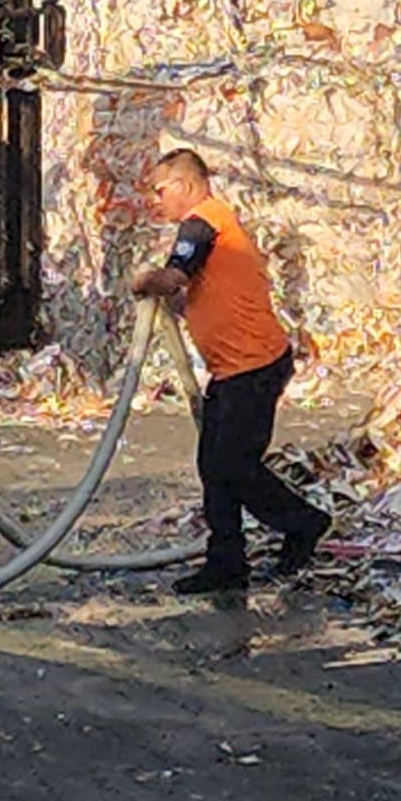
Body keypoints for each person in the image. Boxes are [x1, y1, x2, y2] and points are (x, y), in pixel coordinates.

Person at [127, 149, 329, 600]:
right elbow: (193, 295)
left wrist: (143, 281)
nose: (158, 201)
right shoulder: (215, 228)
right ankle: (226, 562)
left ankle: (303, 523)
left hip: (253, 365)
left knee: (234, 465)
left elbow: (175, 278)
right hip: (235, 368)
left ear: (186, 184)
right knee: (214, 467)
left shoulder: (203, 222)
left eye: (161, 190)